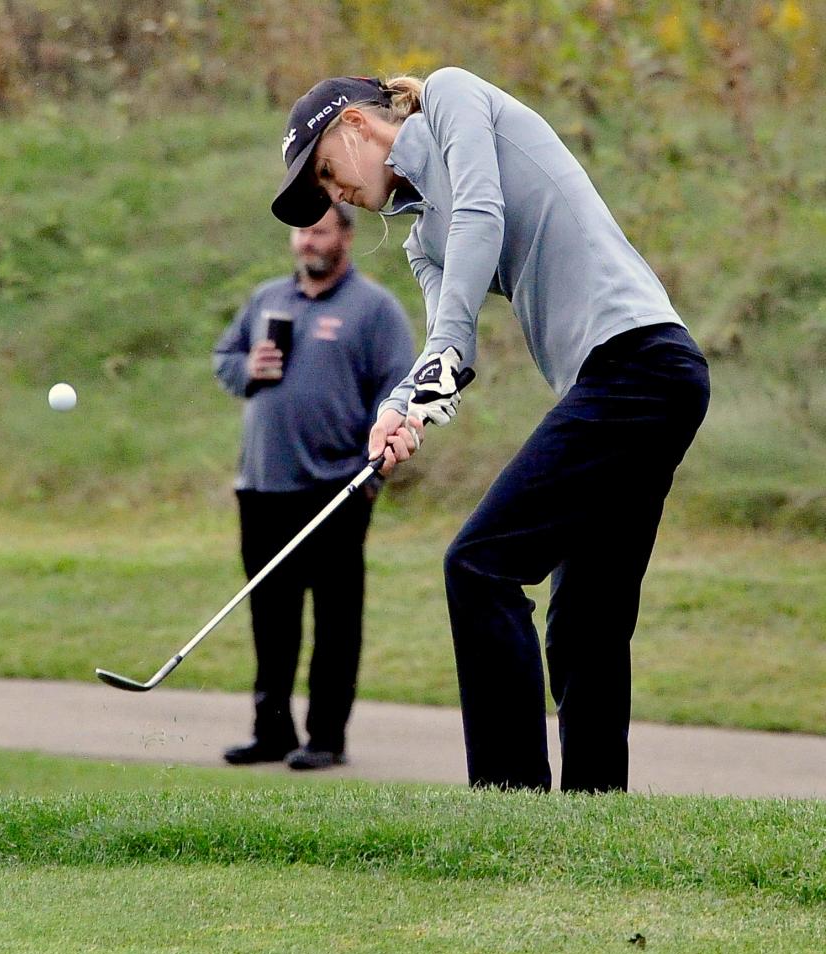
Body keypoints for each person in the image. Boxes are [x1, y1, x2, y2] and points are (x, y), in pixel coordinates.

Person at [270, 68, 710, 792]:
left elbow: (482, 210)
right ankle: (597, 818)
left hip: (640, 366)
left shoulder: (451, 99)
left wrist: (443, 352)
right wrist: (401, 406)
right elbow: (453, 343)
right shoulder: (420, 239)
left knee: (479, 565)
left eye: (325, 171)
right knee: (585, 619)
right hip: (632, 385)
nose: (333, 194)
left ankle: (510, 803)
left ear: (354, 124)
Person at [213, 203, 414, 771]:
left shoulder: (374, 310)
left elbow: (397, 389)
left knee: (335, 617)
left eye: (320, 229)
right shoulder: (267, 299)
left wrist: (372, 471)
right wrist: (250, 366)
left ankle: (327, 736)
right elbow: (224, 359)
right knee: (270, 616)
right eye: (302, 231)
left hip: (336, 489)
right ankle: (271, 731)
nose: (308, 241)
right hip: (263, 485)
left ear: (346, 236)